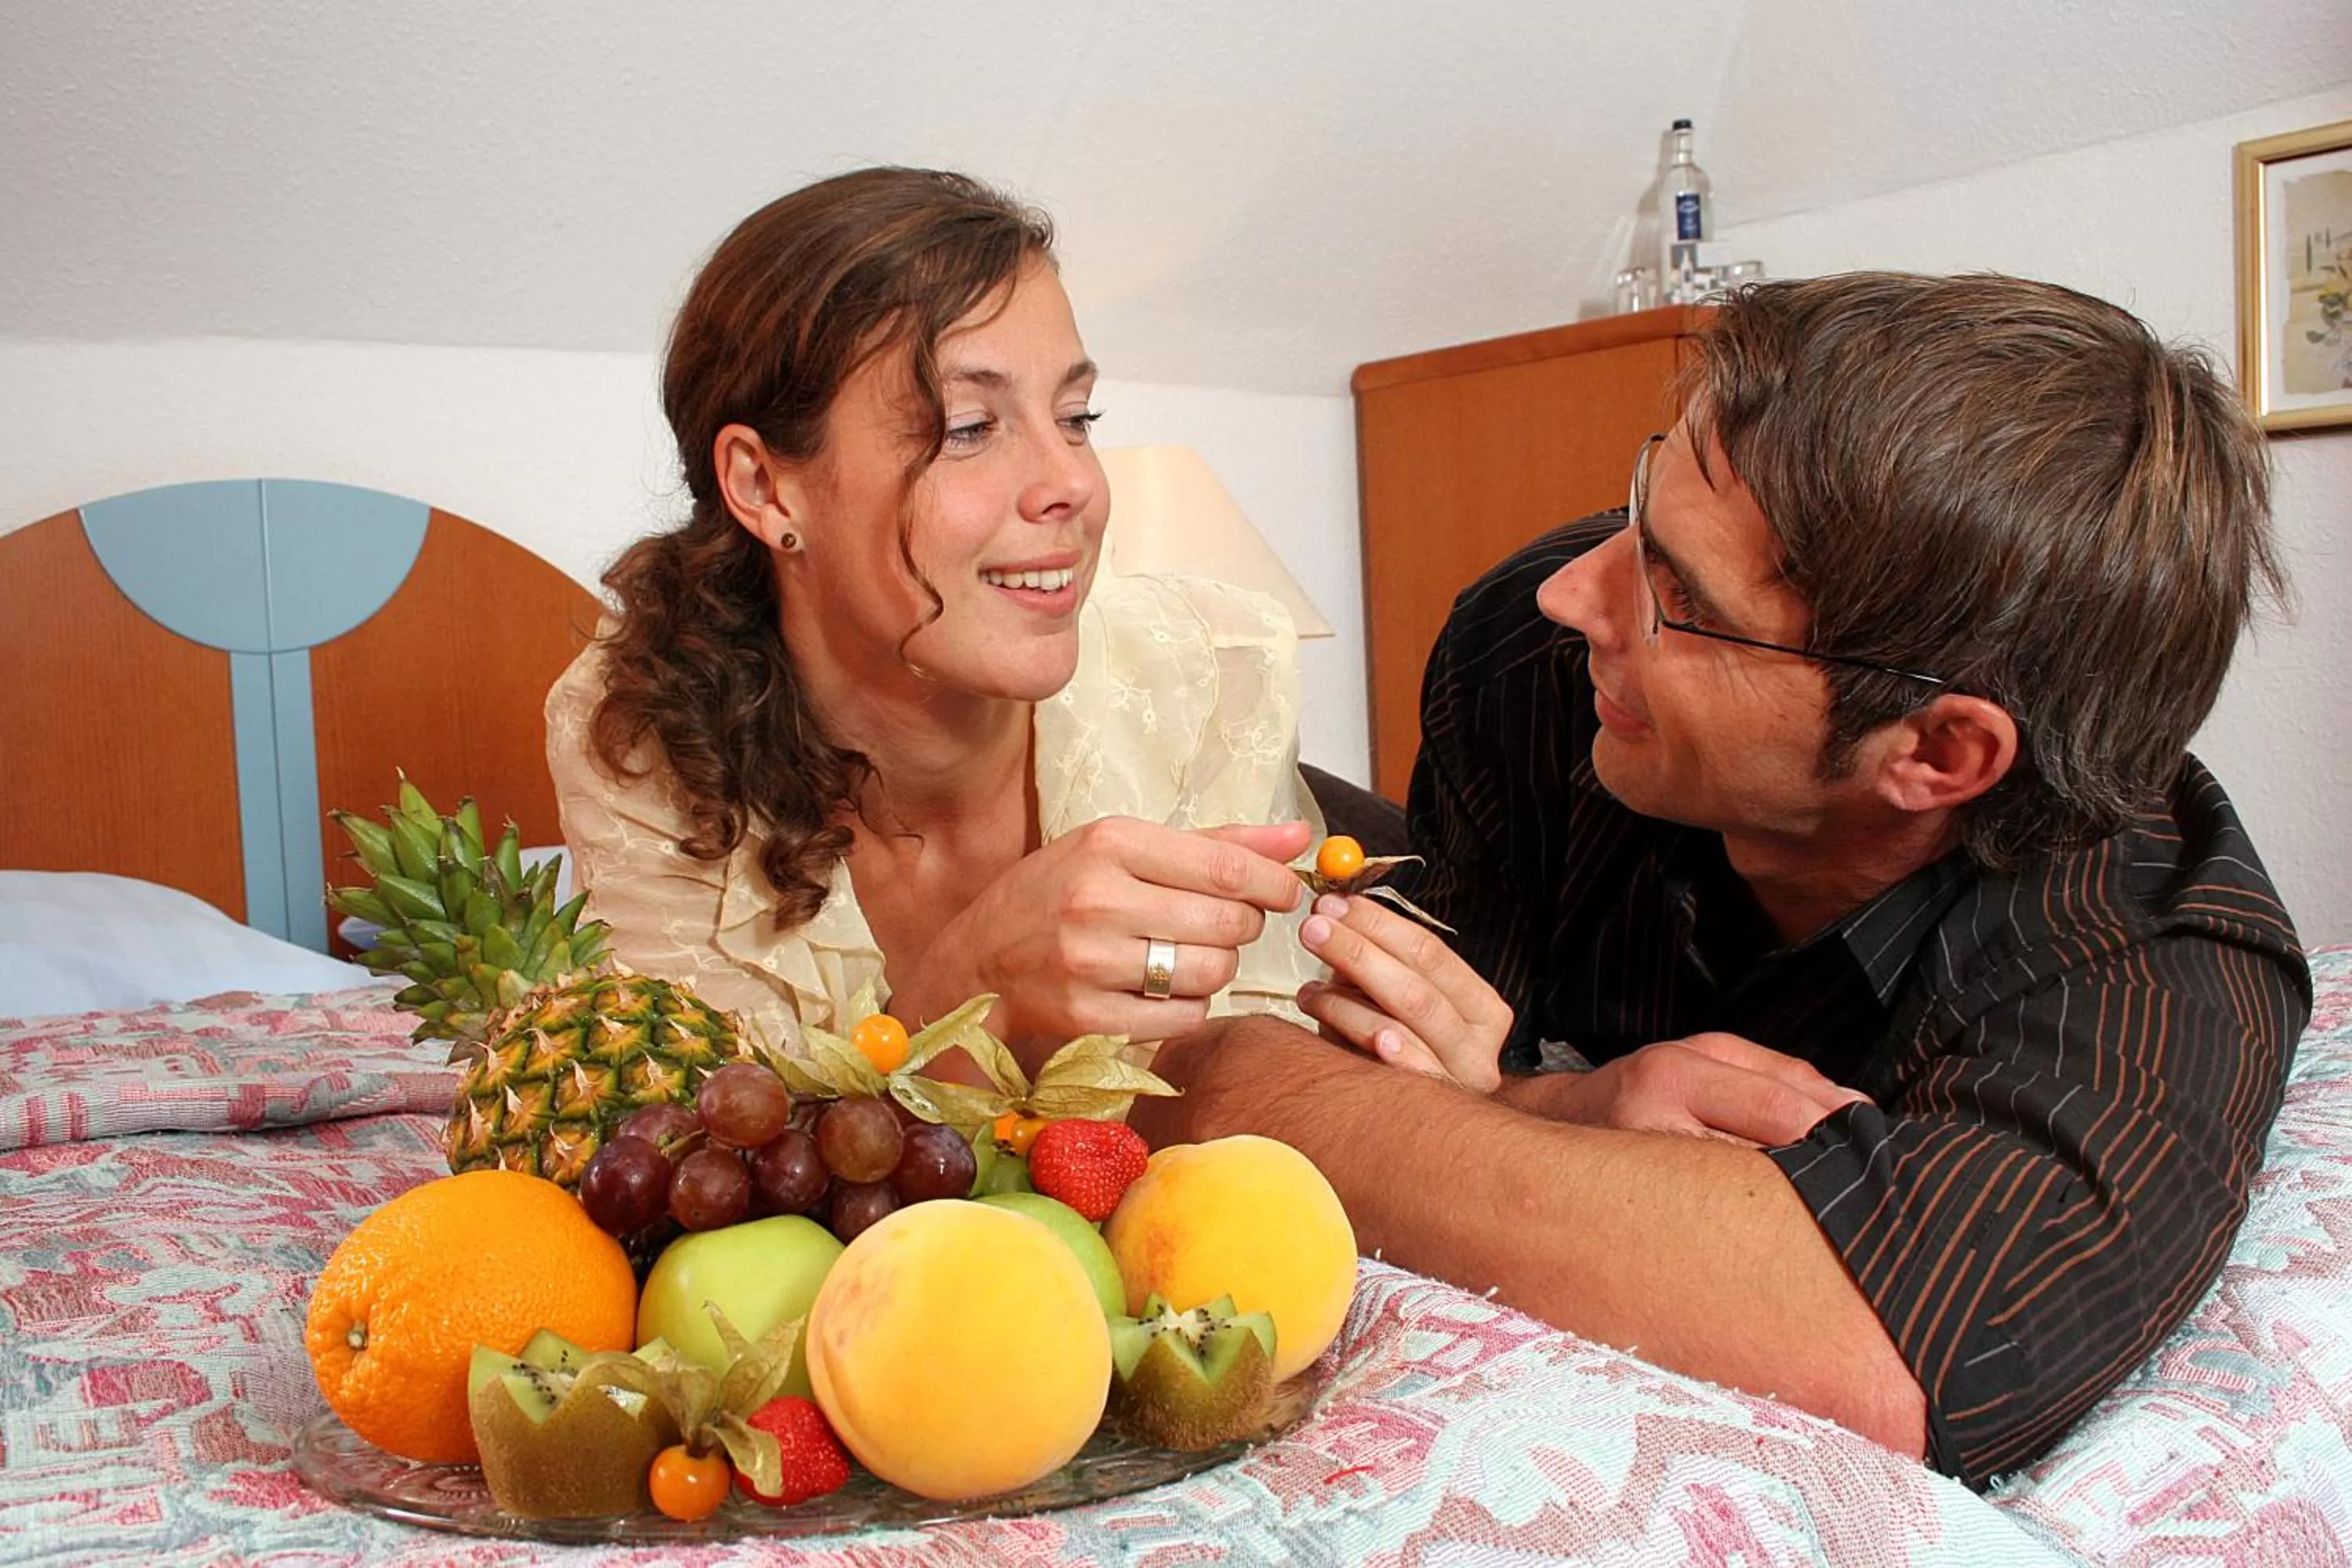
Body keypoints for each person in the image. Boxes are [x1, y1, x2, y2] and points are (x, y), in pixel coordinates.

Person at [1127, 273, 2311, 1488]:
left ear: (1937, 753)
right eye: (1639, 509)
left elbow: (1883, 1348)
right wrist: (1553, 1109)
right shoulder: (1536, 663)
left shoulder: (2160, 953)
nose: (1573, 591)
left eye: (1680, 599)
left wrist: (1238, 1077)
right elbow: (1442, 1060)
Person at [545, 167, 1320, 1070]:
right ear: (764, 486)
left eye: (1077, 416)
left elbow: (1260, 1083)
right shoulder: (644, 735)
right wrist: (974, 982)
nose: (1073, 481)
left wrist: (1424, 1068)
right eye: (966, 428)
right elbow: (721, 1167)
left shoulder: (1213, 673)